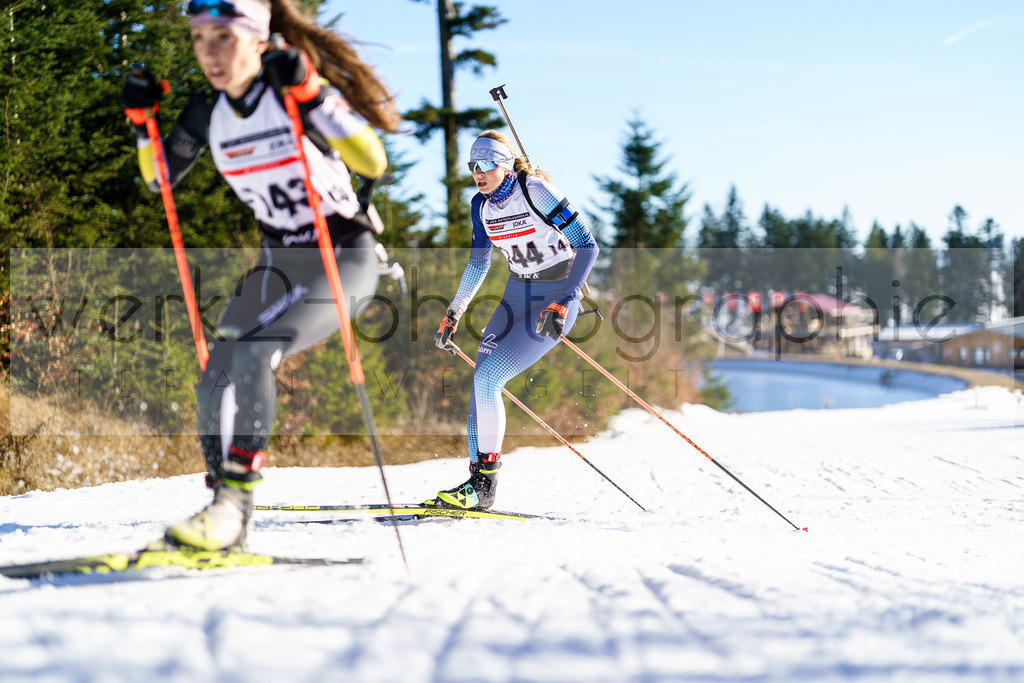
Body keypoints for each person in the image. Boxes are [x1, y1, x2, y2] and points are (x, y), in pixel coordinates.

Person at [120, 0, 400, 550]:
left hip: (343, 257)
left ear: (256, 39)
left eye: (223, 36)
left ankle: (230, 509)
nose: (209, 52)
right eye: (200, 37)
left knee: (254, 352)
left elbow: (373, 161)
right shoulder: (206, 112)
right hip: (279, 264)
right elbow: (159, 182)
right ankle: (226, 508)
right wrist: (140, 124)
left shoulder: (290, 87)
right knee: (214, 378)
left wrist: (311, 95)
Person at [431, 131, 599, 510]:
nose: (478, 172)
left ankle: (483, 488)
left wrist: (566, 299)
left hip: (554, 297)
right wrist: (454, 311)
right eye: (472, 166)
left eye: (485, 164)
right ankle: (475, 484)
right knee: (481, 380)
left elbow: (587, 245)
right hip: (515, 295)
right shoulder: (480, 206)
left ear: (504, 165)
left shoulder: (535, 190)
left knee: (490, 378)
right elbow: (478, 263)